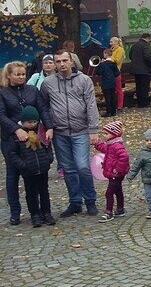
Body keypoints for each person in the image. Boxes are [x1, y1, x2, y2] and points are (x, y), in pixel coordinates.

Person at [42, 49, 100, 217]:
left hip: (80, 130)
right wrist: (49, 126)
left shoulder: (84, 80)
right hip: (60, 133)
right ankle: (75, 201)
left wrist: (93, 129)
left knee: (82, 166)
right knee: (68, 169)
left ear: (71, 61)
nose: (61, 64)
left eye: (64, 60)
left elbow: (91, 105)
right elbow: (44, 106)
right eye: (58, 61)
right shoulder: (48, 83)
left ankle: (90, 200)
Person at [0, 64, 53, 226]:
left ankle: (43, 211)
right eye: (17, 74)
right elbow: (1, 115)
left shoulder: (32, 90)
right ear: (9, 76)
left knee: (38, 176)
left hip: (34, 137)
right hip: (11, 138)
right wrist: (16, 129)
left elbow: (43, 109)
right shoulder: (3, 93)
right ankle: (15, 211)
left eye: (23, 74)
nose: (21, 77)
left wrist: (49, 127)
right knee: (13, 174)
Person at [7, 105, 55, 227]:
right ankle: (35, 214)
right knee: (31, 193)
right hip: (28, 170)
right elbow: (12, 154)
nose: (32, 124)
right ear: (23, 122)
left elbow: (47, 145)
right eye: (29, 122)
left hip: (42, 168)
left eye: (34, 121)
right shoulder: (17, 136)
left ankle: (47, 213)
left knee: (44, 192)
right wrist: (23, 165)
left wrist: (48, 159)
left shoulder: (41, 131)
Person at [95, 120, 130, 222]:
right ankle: (120, 209)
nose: (105, 136)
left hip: (116, 174)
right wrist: (98, 143)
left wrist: (117, 169)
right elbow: (105, 148)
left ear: (114, 134)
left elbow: (124, 157)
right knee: (118, 190)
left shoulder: (117, 145)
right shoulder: (111, 144)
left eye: (106, 134)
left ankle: (108, 212)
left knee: (109, 193)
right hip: (114, 173)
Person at [129, 33, 151, 107]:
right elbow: (148, 57)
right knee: (145, 87)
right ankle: (144, 103)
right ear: (147, 38)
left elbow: (130, 56)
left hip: (136, 70)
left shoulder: (134, 45)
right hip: (144, 70)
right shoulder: (145, 45)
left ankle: (139, 103)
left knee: (139, 86)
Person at [96, 48, 122, 117]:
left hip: (105, 82)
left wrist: (99, 65)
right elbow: (117, 73)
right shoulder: (113, 63)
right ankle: (113, 111)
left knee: (107, 97)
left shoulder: (103, 64)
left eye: (104, 54)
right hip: (112, 82)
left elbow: (98, 72)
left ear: (106, 54)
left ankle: (108, 112)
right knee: (113, 96)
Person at [109, 36, 125, 111]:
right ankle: (114, 104)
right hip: (110, 72)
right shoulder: (111, 50)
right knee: (113, 89)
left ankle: (120, 106)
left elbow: (117, 61)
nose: (110, 43)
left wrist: (109, 59)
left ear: (116, 42)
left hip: (116, 71)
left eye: (111, 42)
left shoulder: (120, 49)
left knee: (118, 89)